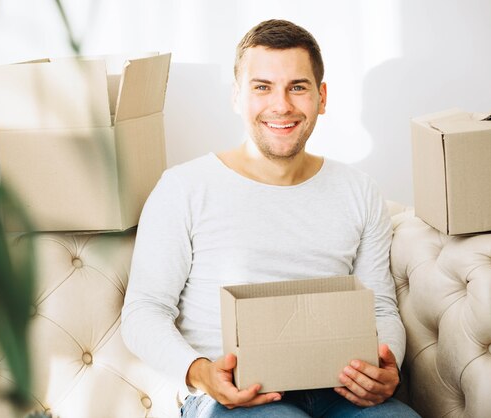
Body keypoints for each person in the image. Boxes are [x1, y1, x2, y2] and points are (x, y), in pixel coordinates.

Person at [121, 19, 420, 418]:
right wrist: (201, 374)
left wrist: (388, 365)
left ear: (322, 97)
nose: (281, 105)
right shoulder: (183, 188)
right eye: (262, 87)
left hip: (340, 390)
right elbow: (144, 311)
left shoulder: (358, 190)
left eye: (297, 87)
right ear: (237, 97)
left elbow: (380, 308)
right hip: (234, 398)